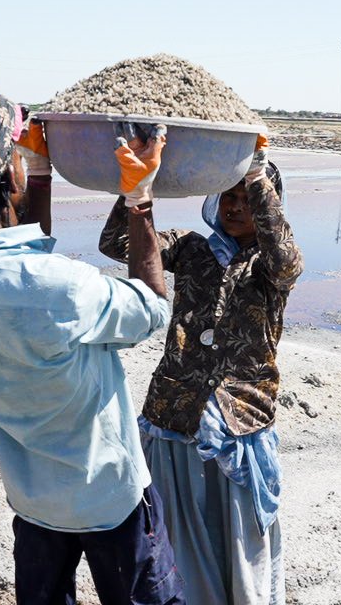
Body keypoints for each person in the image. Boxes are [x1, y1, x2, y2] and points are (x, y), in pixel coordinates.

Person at [0, 89, 186, 605]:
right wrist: (140, 198)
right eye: (16, 153)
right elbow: (151, 309)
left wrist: (37, 174)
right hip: (109, 497)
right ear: (6, 177)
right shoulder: (60, 288)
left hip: (33, 500)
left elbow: (28, 261)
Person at [100, 134, 303, 605]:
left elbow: (286, 257)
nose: (236, 207)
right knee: (175, 530)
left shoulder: (273, 266)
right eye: (228, 196)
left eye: (247, 199)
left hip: (239, 421)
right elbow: (114, 243)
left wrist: (254, 171)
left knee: (237, 535)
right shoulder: (191, 249)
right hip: (175, 416)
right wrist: (138, 186)